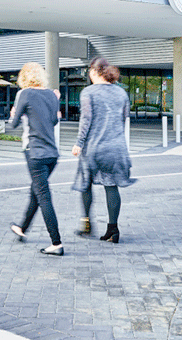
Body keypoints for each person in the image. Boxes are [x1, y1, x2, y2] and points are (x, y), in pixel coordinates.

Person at [71, 57, 135, 244]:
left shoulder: (88, 92)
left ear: (93, 72)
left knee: (86, 182)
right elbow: (124, 118)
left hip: (94, 146)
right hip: (116, 147)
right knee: (111, 185)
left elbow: (86, 120)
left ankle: (86, 223)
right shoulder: (121, 93)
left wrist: (79, 143)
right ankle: (112, 229)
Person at [8, 62, 63, 256]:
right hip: (52, 154)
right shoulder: (51, 94)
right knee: (36, 192)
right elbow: (55, 120)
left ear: (24, 78)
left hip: (35, 153)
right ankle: (22, 227)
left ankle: (56, 243)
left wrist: (13, 114)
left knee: (43, 196)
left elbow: (13, 124)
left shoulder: (24, 94)